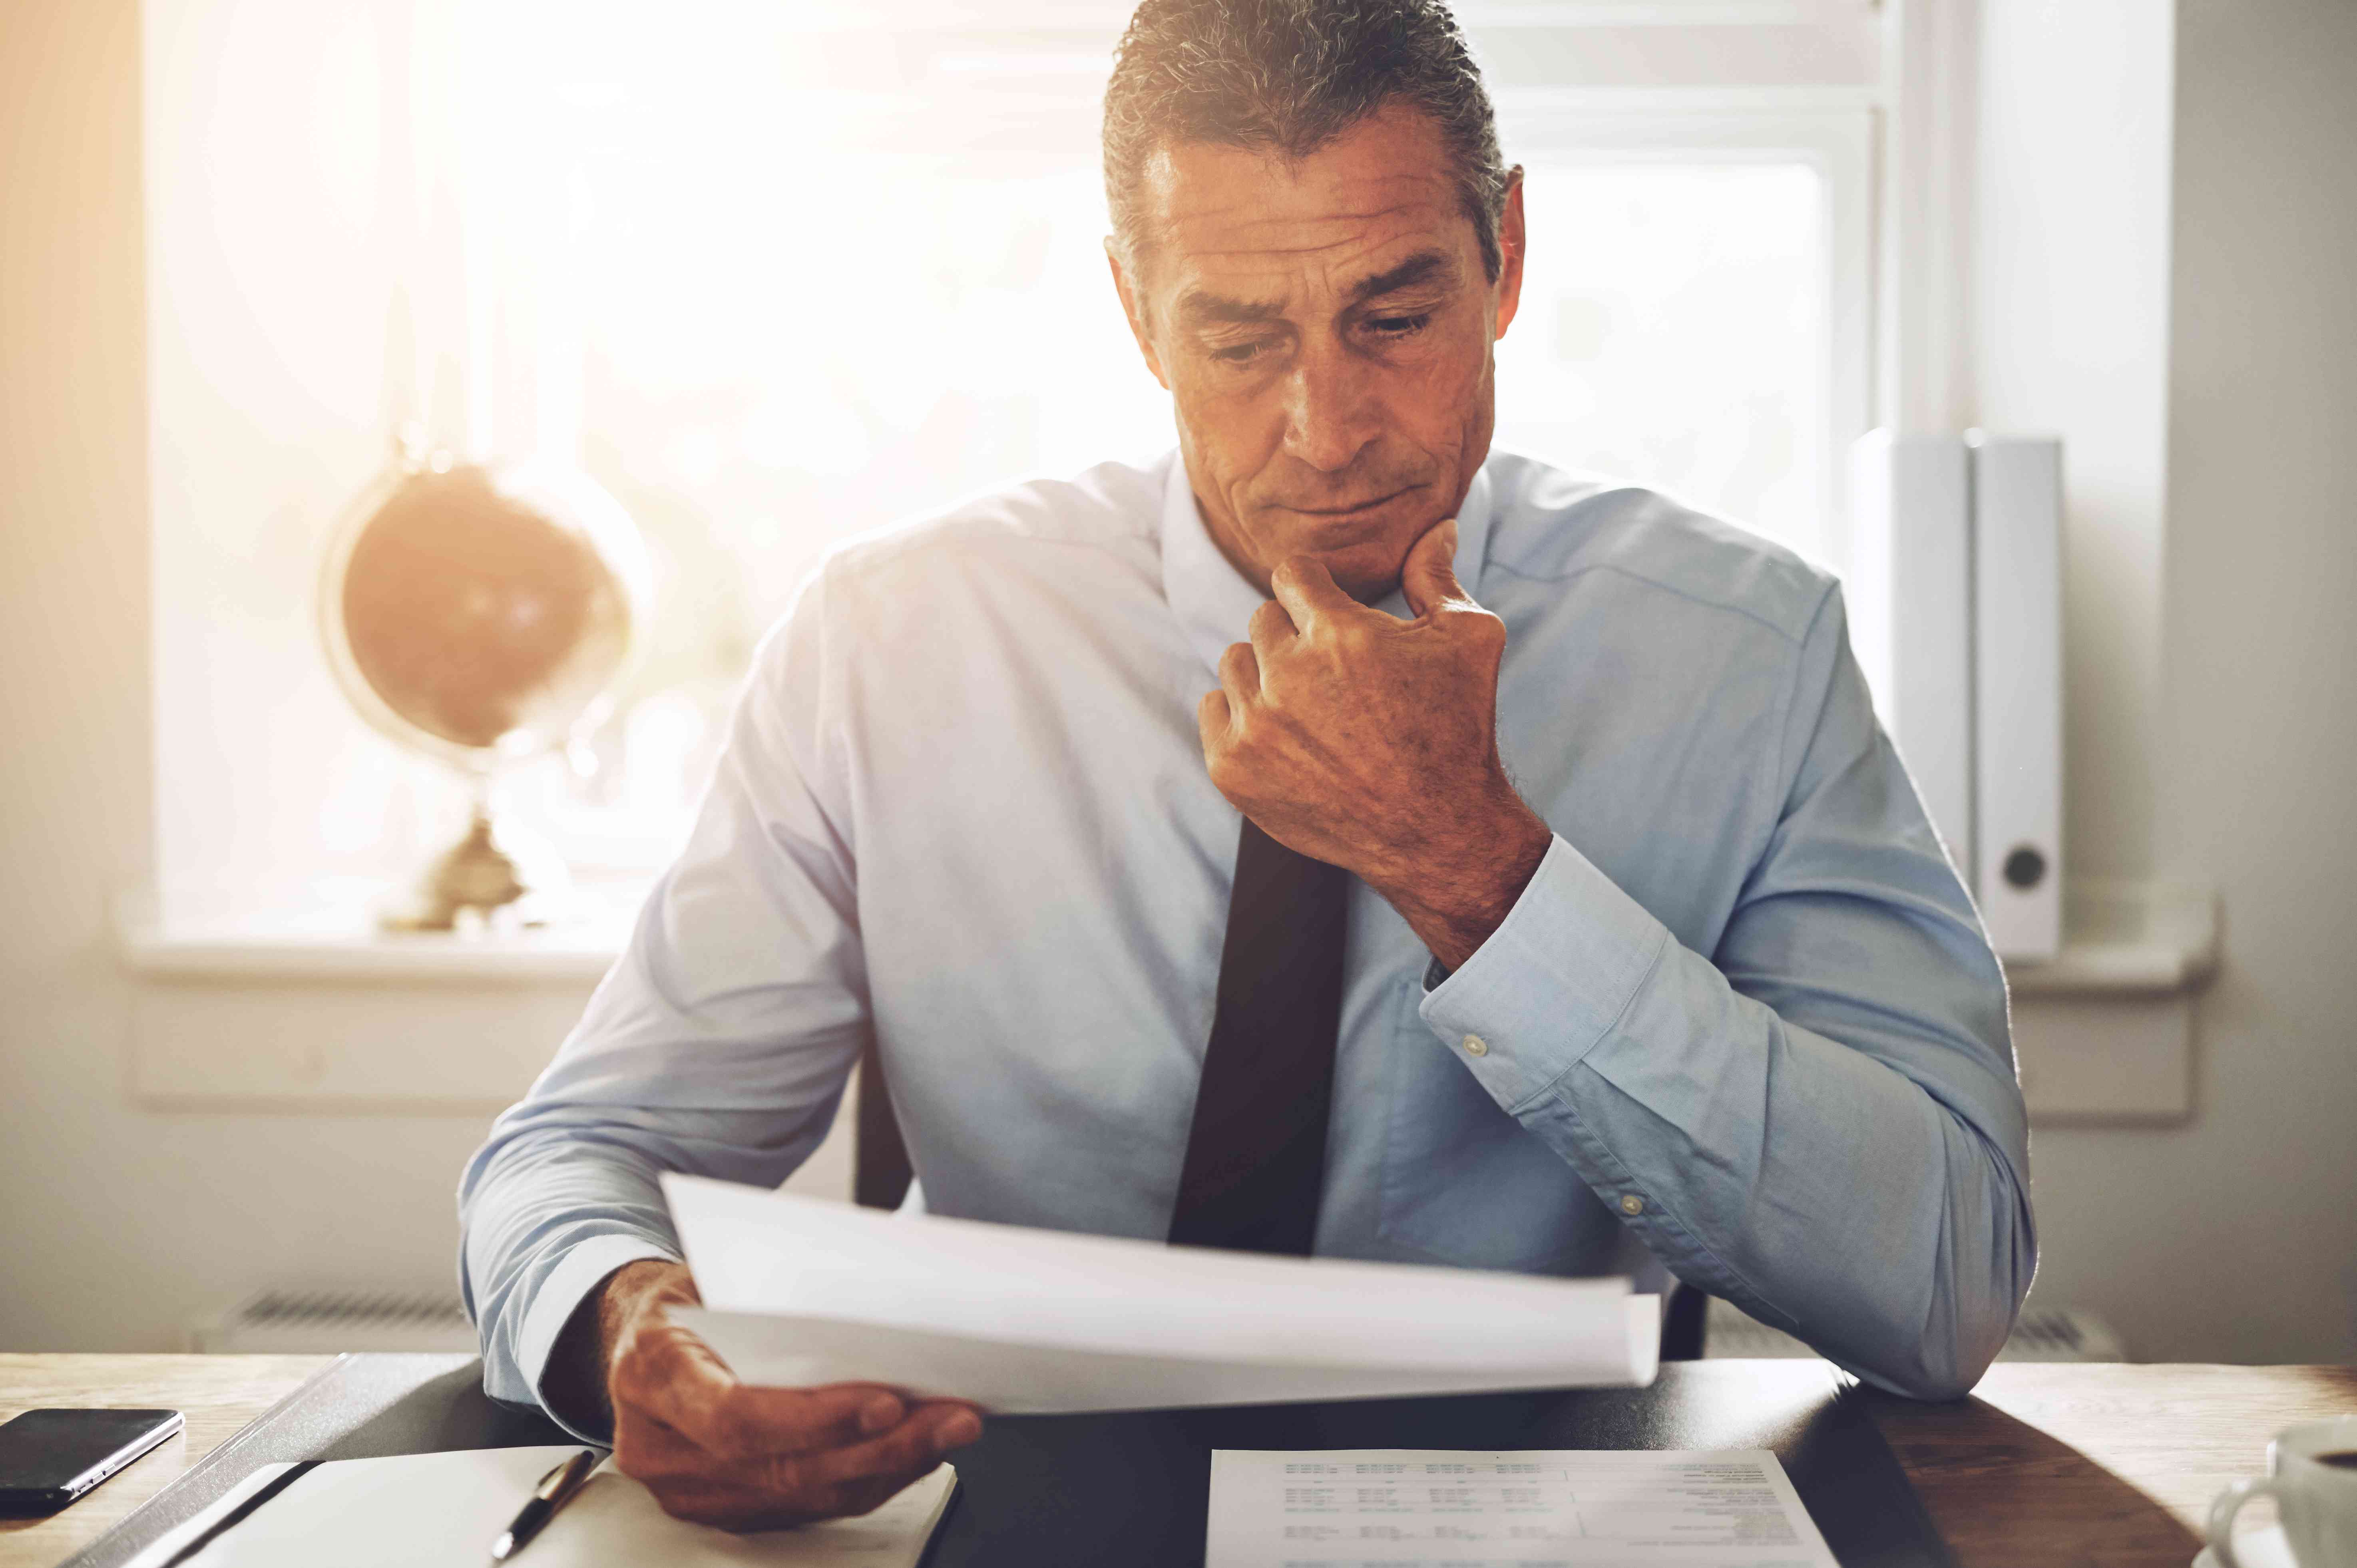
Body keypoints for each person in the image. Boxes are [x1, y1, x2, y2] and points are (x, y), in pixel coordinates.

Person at [459, 0, 2035, 1529]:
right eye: (1235, 337)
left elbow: (1943, 1284)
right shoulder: (891, 644)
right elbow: (578, 1153)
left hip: (1520, 1515)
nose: (1328, 427)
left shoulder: (1743, 658)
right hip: (997, 1499)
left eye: (1394, 317)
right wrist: (626, 1328)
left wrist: (1479, 873)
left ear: (1506, 260)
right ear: (1135, 313)